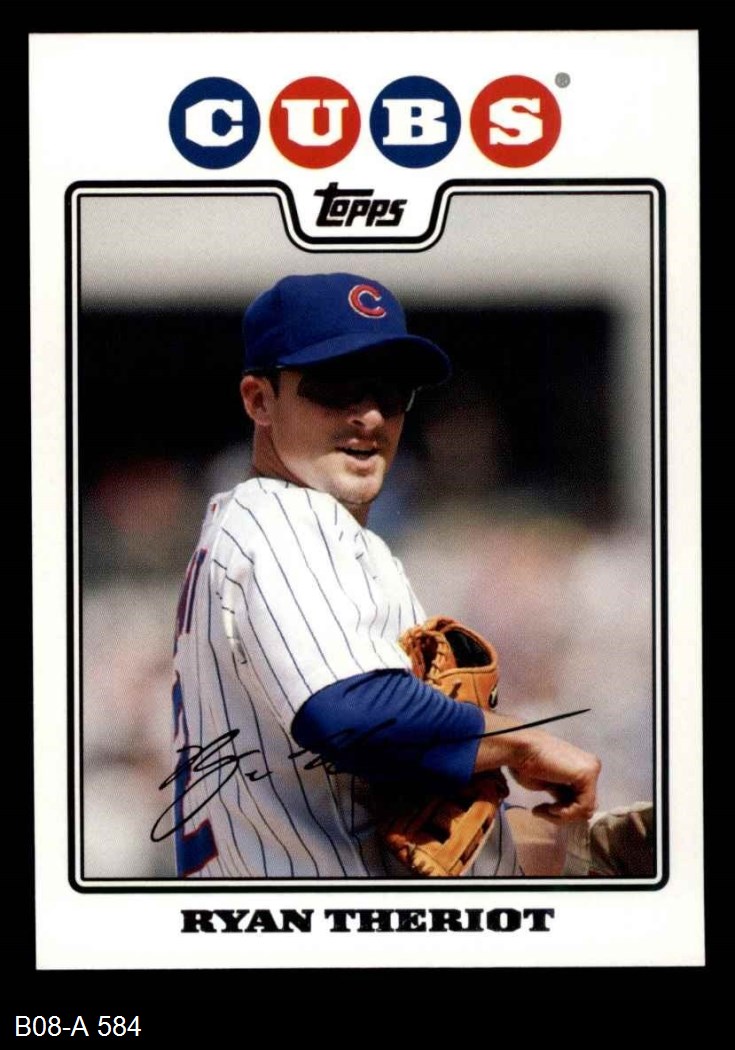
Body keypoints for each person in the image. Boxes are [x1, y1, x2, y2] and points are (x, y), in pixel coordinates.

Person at [169, 272, 601, 878]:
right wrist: (521, 739)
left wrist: (573, 851)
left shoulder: (257, 527)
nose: (369, 415)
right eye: (336, 387)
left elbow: (345, 796)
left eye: (390, 392)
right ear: (259, 400)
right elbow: (351, 714)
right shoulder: (282, 517)